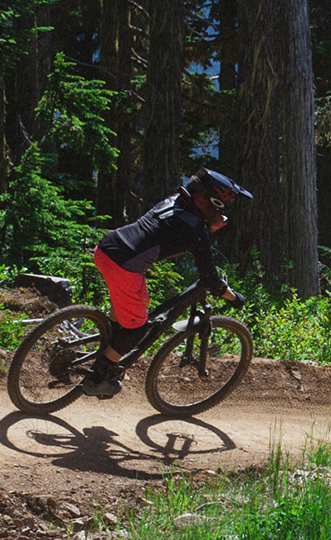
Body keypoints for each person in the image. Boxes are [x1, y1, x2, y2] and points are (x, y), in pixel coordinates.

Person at [82, 168, 252, 398]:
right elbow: (210, 279)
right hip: (124, 266)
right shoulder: (195, 229)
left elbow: (172, 229)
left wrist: (207, 223)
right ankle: (97, 377)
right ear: (213, 201)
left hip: (106, 248)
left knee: (127, 311)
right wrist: (233, 297)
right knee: (138, 327)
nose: (225, 209)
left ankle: (111, 344)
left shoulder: (174, 202)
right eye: (223, 204)